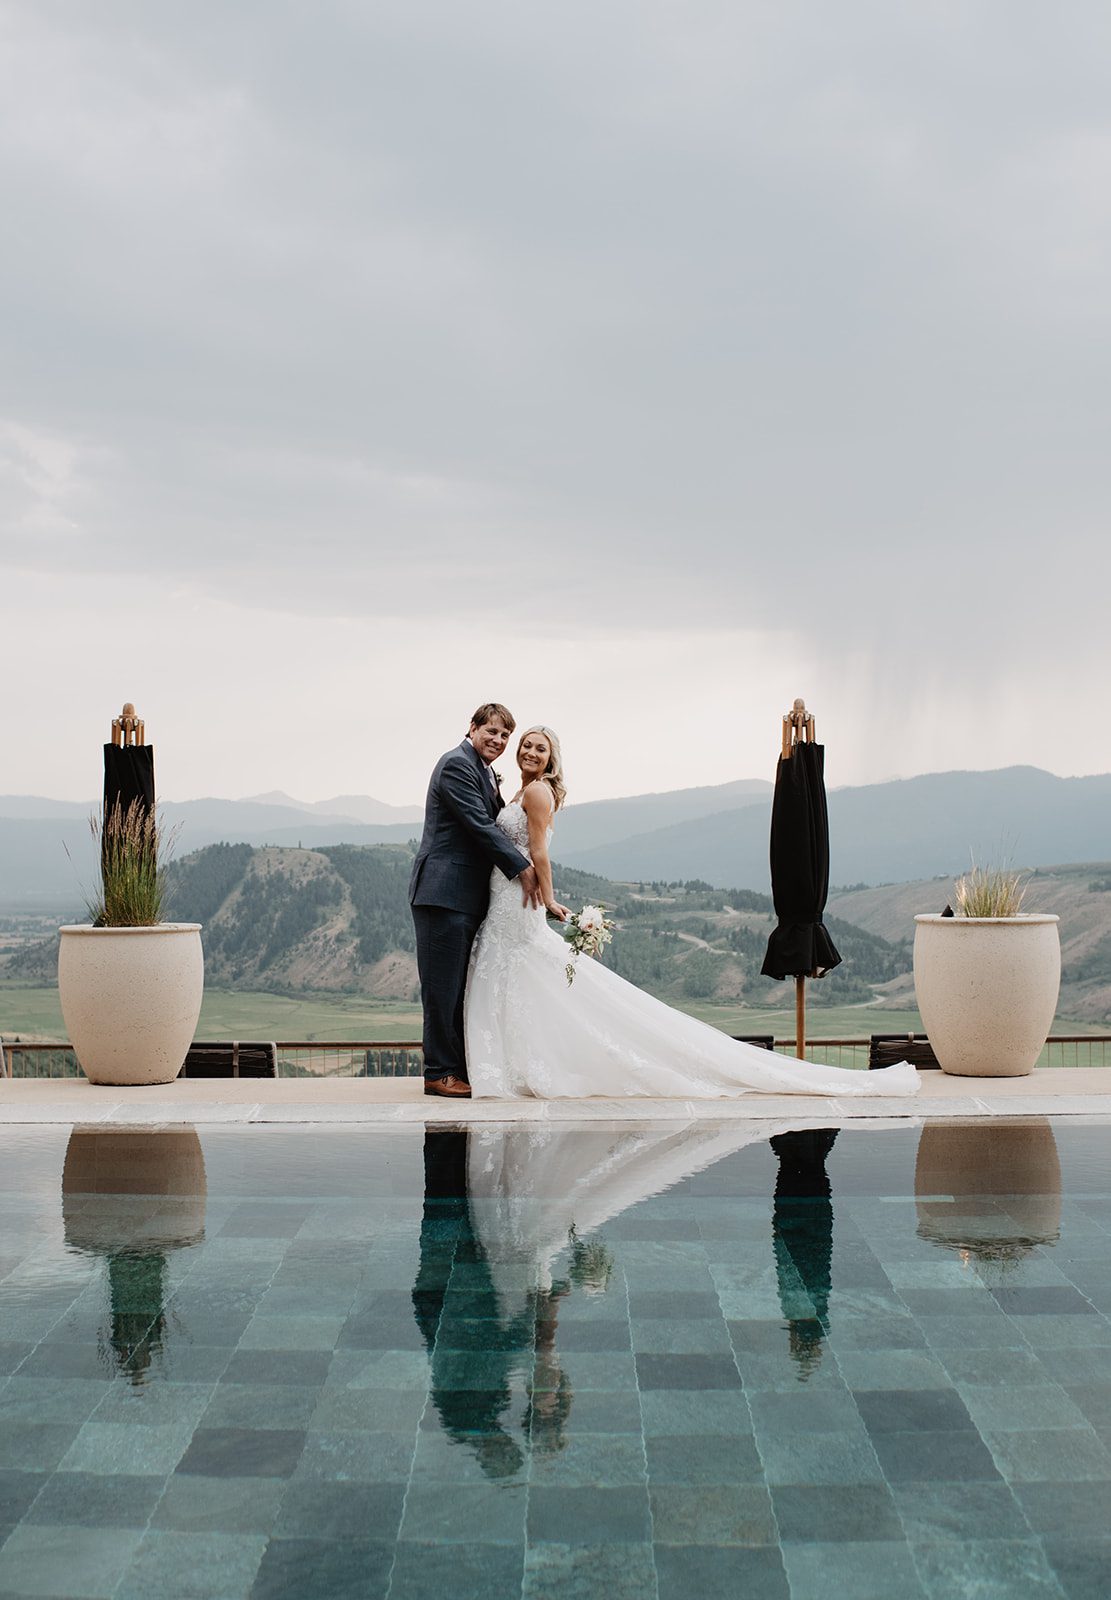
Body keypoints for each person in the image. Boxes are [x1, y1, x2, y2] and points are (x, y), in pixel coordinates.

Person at [464, 725, 920, 1099]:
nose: (528, 750)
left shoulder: (538, 794)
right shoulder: (521, 791)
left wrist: (547, 897)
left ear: (551, 760)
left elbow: (539, 853)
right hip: (505, 903)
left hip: (518, 905)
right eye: (525, 744)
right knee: (525, 982)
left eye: (539, 748)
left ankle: (531, 1066)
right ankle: (520, 1063)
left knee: (531, 978)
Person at [409, 703, 541, 1098]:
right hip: (442, 893)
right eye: (491, 732)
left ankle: (459, 1068)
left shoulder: (482, 771)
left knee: (458, 989)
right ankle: (439, 1072)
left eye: (504, 736)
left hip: (466, 896)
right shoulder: (456, 765)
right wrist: (523, 868)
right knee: (441, 988)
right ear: (472, 728)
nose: (498, 741)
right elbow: (480, 824)